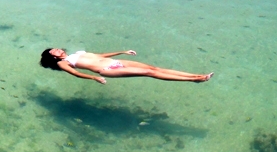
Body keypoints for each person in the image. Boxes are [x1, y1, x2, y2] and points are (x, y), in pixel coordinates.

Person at [40, 48, 213, 84]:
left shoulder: (77, 53)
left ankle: (196, 76)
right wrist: (94, 77)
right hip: (107, 70)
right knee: (148, 73)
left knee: (154, 68)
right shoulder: (64, 63)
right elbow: (76, 74)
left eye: (55, 48)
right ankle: (194, 80)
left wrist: (122, 52)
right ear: (52, 56)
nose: (56, 49)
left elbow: (100, 55)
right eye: (52, 51)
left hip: (115, 62)